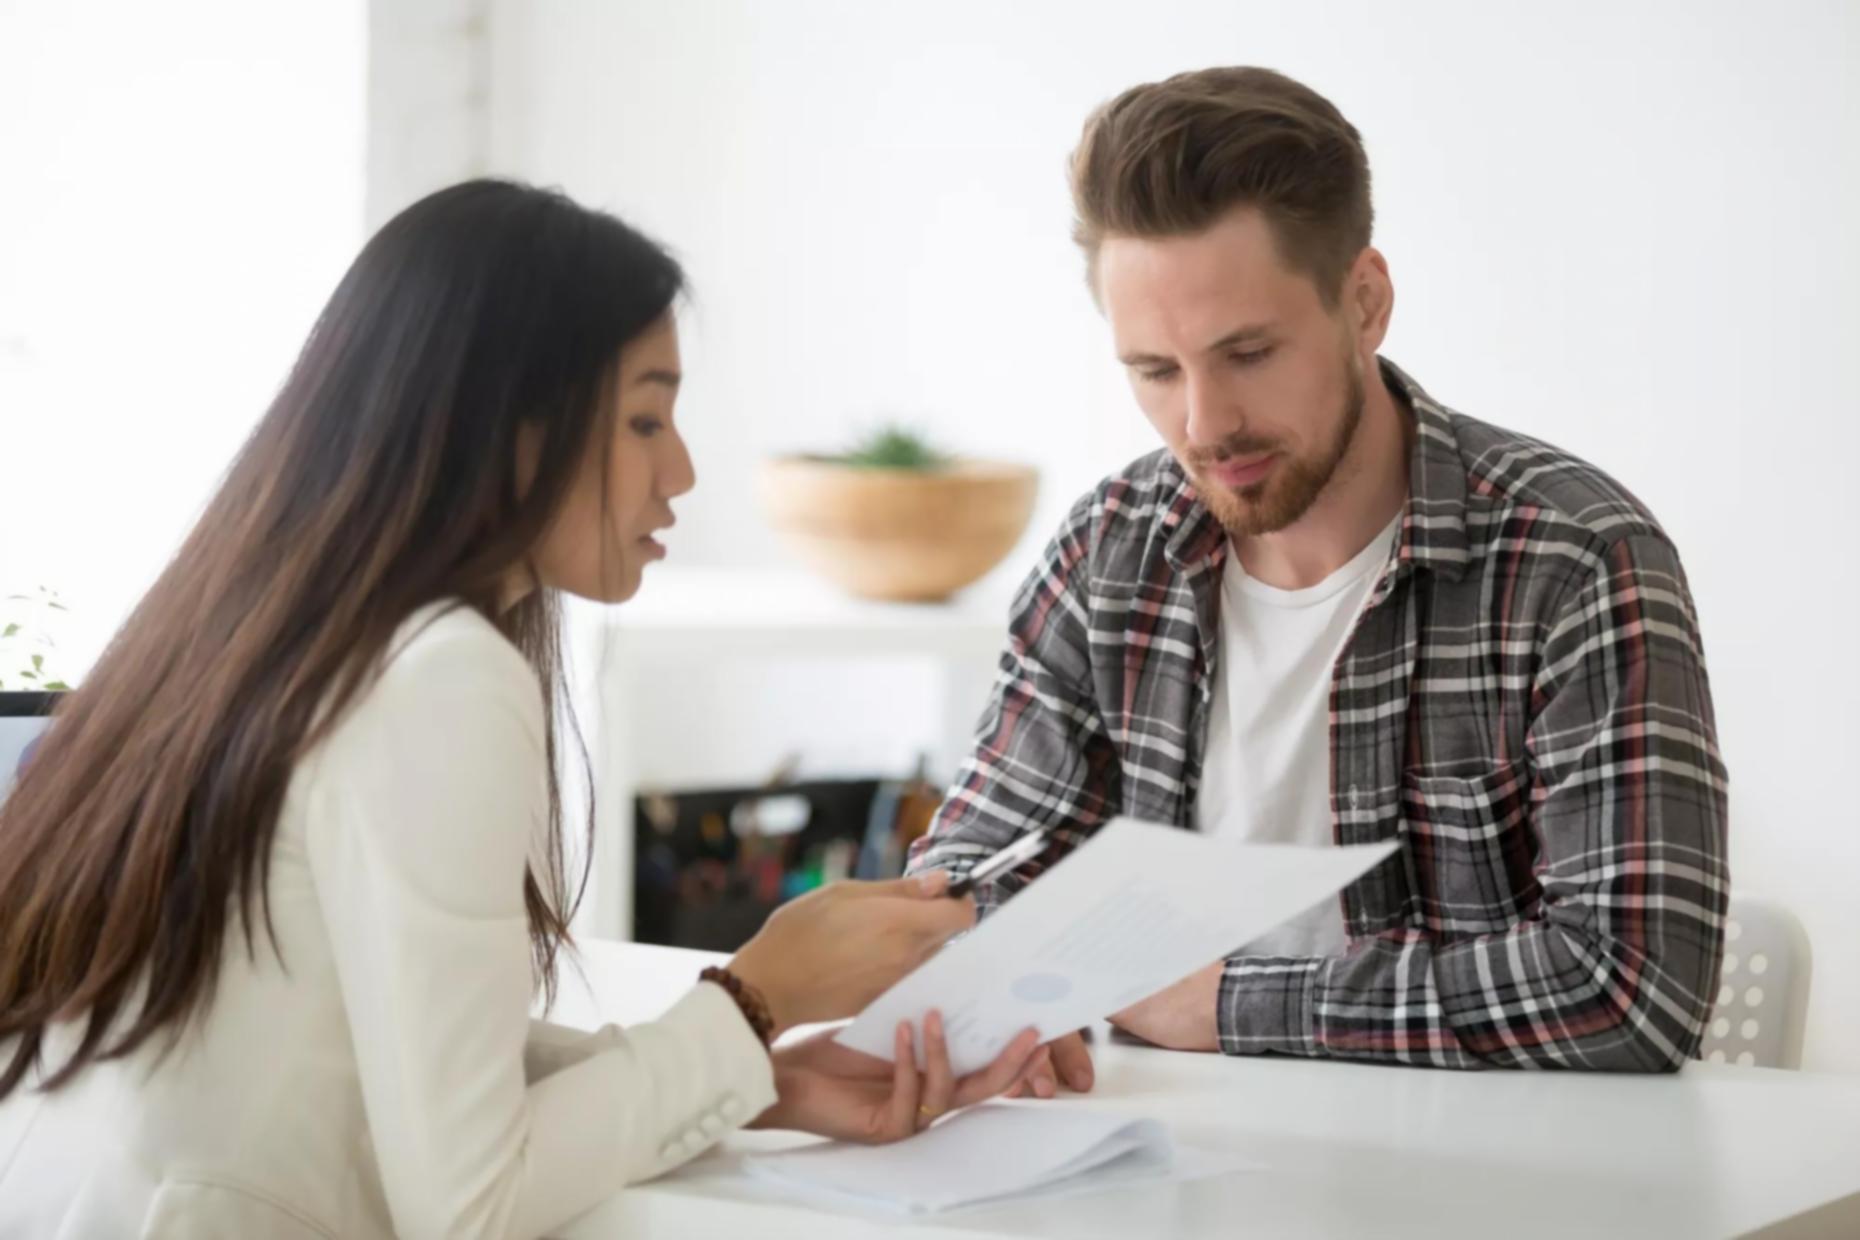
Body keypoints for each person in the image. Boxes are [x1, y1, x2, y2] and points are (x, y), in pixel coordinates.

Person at [0, 181, 1040, 1239]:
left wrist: (755, 1076)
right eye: (644, 417)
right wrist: (756, 994)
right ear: (508, 427)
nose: (678, 472)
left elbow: (357, 1042)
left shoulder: (254, 627)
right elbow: (473, 1201)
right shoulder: (438, 674)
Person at [910, 66, 1729, 1084]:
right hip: (1150, 1172)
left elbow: (1631, 989)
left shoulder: (1572, 560)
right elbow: (959, 887)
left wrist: (1227, 1004)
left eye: (1247, 352)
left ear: (1366, 302)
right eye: (1155, 372)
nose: (1202, 425)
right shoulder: (1106, 555)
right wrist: (1015, 994)